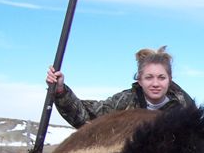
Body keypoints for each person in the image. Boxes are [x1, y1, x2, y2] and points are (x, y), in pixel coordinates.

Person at [46, 46, 195, 128]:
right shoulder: (125, 101)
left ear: (170, 80)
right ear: (139, 80)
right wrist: (60, 90)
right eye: (149, 77)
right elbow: (87, 118)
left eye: (161, 77)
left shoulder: (185, 106)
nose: (155, 84)